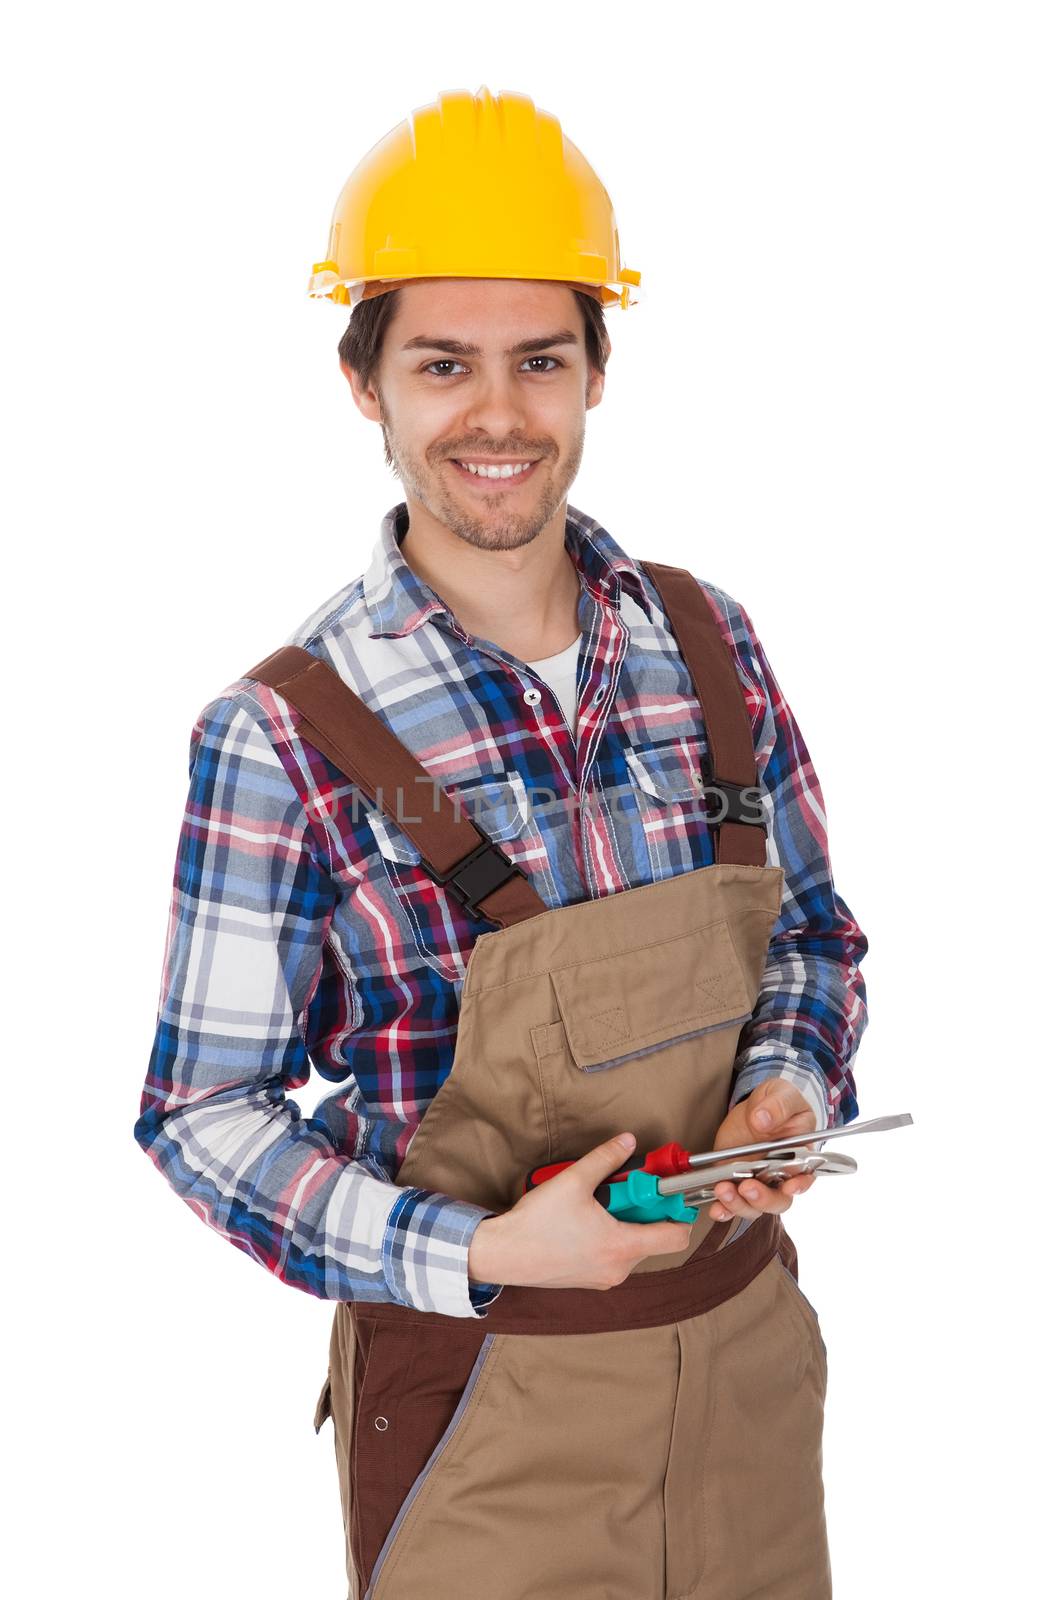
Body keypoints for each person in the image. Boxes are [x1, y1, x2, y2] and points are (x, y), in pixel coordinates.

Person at [134, 85, 869, 1600]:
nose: (497, 415)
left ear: (598, 370)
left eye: (541, 360)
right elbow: (201, 1115)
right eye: (442, 364)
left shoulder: (707, 647)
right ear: (367, 384)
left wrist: (781, 1089)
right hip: (488, 1410)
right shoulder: (284, 735)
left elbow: (807, 936)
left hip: (745, 1376)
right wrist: (472, 1257)